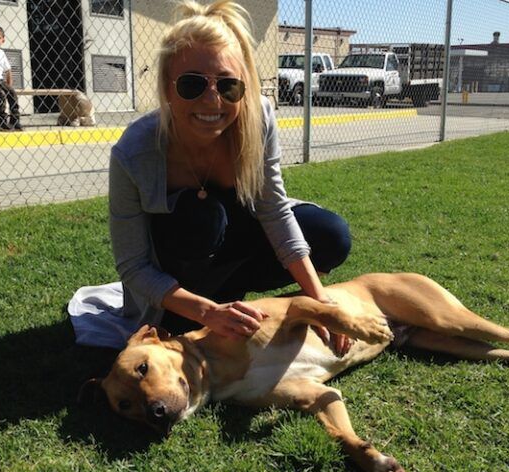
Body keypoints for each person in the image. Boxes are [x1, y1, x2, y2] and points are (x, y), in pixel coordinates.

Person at [108, 0, 352, 354]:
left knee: (331, 235)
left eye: (228, 86)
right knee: (201, 216)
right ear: (165, 88)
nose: (212, 100)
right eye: (192, 85)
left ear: (245, 89)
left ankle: (227, 296)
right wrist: (205, 311)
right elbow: (133, 266)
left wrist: (320, 302)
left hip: (233, 243)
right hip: (182, 260)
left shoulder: (259, 117)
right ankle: (203, 304)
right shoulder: (134, 152)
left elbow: (273, 210)